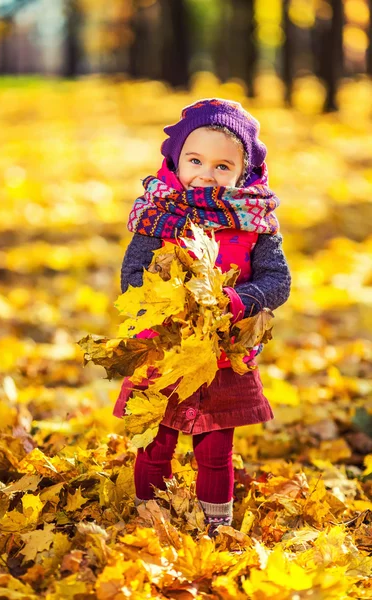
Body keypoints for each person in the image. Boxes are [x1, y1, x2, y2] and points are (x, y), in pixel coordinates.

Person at [113, 98, 291, 536]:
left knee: (216, 447)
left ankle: (215, 528)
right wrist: (165, 305)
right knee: (156, 441)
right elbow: (132, 276)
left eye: (222, 166)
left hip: (222, 353)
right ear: (176, 160)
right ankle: (148, 520)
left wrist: (235, 300)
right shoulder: (158, 214)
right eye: (195, 160)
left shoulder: (256, 221)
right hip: (165, 347)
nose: (206, 174)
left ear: (243, 173)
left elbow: (278, 282)